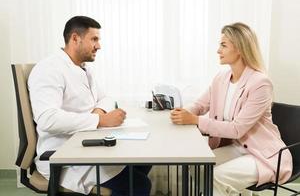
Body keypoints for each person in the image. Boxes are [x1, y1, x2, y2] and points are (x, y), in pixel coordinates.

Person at [28, 16, 151, 195]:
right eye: (94, 39)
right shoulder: (49, 69)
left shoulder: (84, 68)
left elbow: (106, 98)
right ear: (75, 38)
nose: (99, 46)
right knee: (139, 184)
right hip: (64, 156)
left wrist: (99, 113)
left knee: (142, 160)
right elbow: (48, 119)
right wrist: (99, 120)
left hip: (86, 146)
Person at [170, 22, 293, 195]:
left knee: (215, 177)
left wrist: (195, 120)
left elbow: (236, 129)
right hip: (237, 147)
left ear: (240, 49)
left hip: (262, 155)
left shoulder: (260, 83)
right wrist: (184, 112)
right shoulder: (221, 78)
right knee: (195, 164)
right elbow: (200, 104)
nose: (218, 50)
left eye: (223, 45)